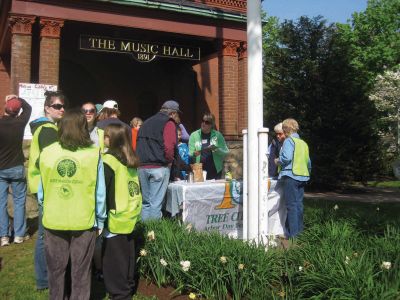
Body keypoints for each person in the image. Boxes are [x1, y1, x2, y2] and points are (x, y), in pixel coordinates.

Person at [37, 108, 106, 299]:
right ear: (83, 128)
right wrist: (100, 219)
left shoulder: (47, 152)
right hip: (84, 219)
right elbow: (99, 192)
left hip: (54, 218)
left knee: (56, 271)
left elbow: (41, 190)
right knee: (81, 271)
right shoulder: (93, 154)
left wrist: (46, 206)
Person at [28, 90, 66, 291]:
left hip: (41, 186)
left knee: (46, 235)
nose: (62, 109)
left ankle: (44, 277)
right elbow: (52, 162)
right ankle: (43, 279)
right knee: (45, 236)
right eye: (57, 106)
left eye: (62, 106)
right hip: (45, 188)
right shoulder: (48, 130)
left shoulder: (45, 128)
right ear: (47, 108)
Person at [102, 124, 142, 300]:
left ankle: (120, 294)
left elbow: (103, 191)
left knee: (113, 261)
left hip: (114, 218)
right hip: (130, 215)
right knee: (127, 256)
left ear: (112, 139)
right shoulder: (130, 158)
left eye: (105, 136)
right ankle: (128, 286)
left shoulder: (109, 161)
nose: (103, 139)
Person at [136, 100, 180, 220]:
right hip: (159, 167)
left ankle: (144, 234)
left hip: (142, 167)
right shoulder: (168, 123)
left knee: (146, 203)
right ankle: (153, 236)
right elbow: (169, 146)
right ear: (172, 114)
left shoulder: (146, 123)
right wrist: (169, 161)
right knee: (155, 204)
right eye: (177, 115)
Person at [0, 95, 32, 246]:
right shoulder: (20, 123)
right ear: (18, 112)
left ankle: (4, 236)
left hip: (1, 169)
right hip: (17, 167)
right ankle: (19, 235)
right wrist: (17, 98)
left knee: (1, 203)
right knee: (19, 202)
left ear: (5, 108)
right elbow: (29, 108)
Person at [276, 118, 311, 239]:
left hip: (291, 176)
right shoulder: (303, 143)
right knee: (298, 205)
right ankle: (299, 233)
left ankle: (293, 236)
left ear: (285, 129)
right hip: (303, 177)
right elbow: (308, 162)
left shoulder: (289, 141)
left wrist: (277, 161)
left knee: (291, 206)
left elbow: (286, 157)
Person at [189, 112, 229, 180]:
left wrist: (216, 149)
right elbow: (190, 153)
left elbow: (226, 152)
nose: (203, 123)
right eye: (202, 121)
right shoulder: (194, 135)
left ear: (211, 124)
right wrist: (194, 154)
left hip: (215, 170)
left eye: (207, 122)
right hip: (199, 171)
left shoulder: (218, 135)